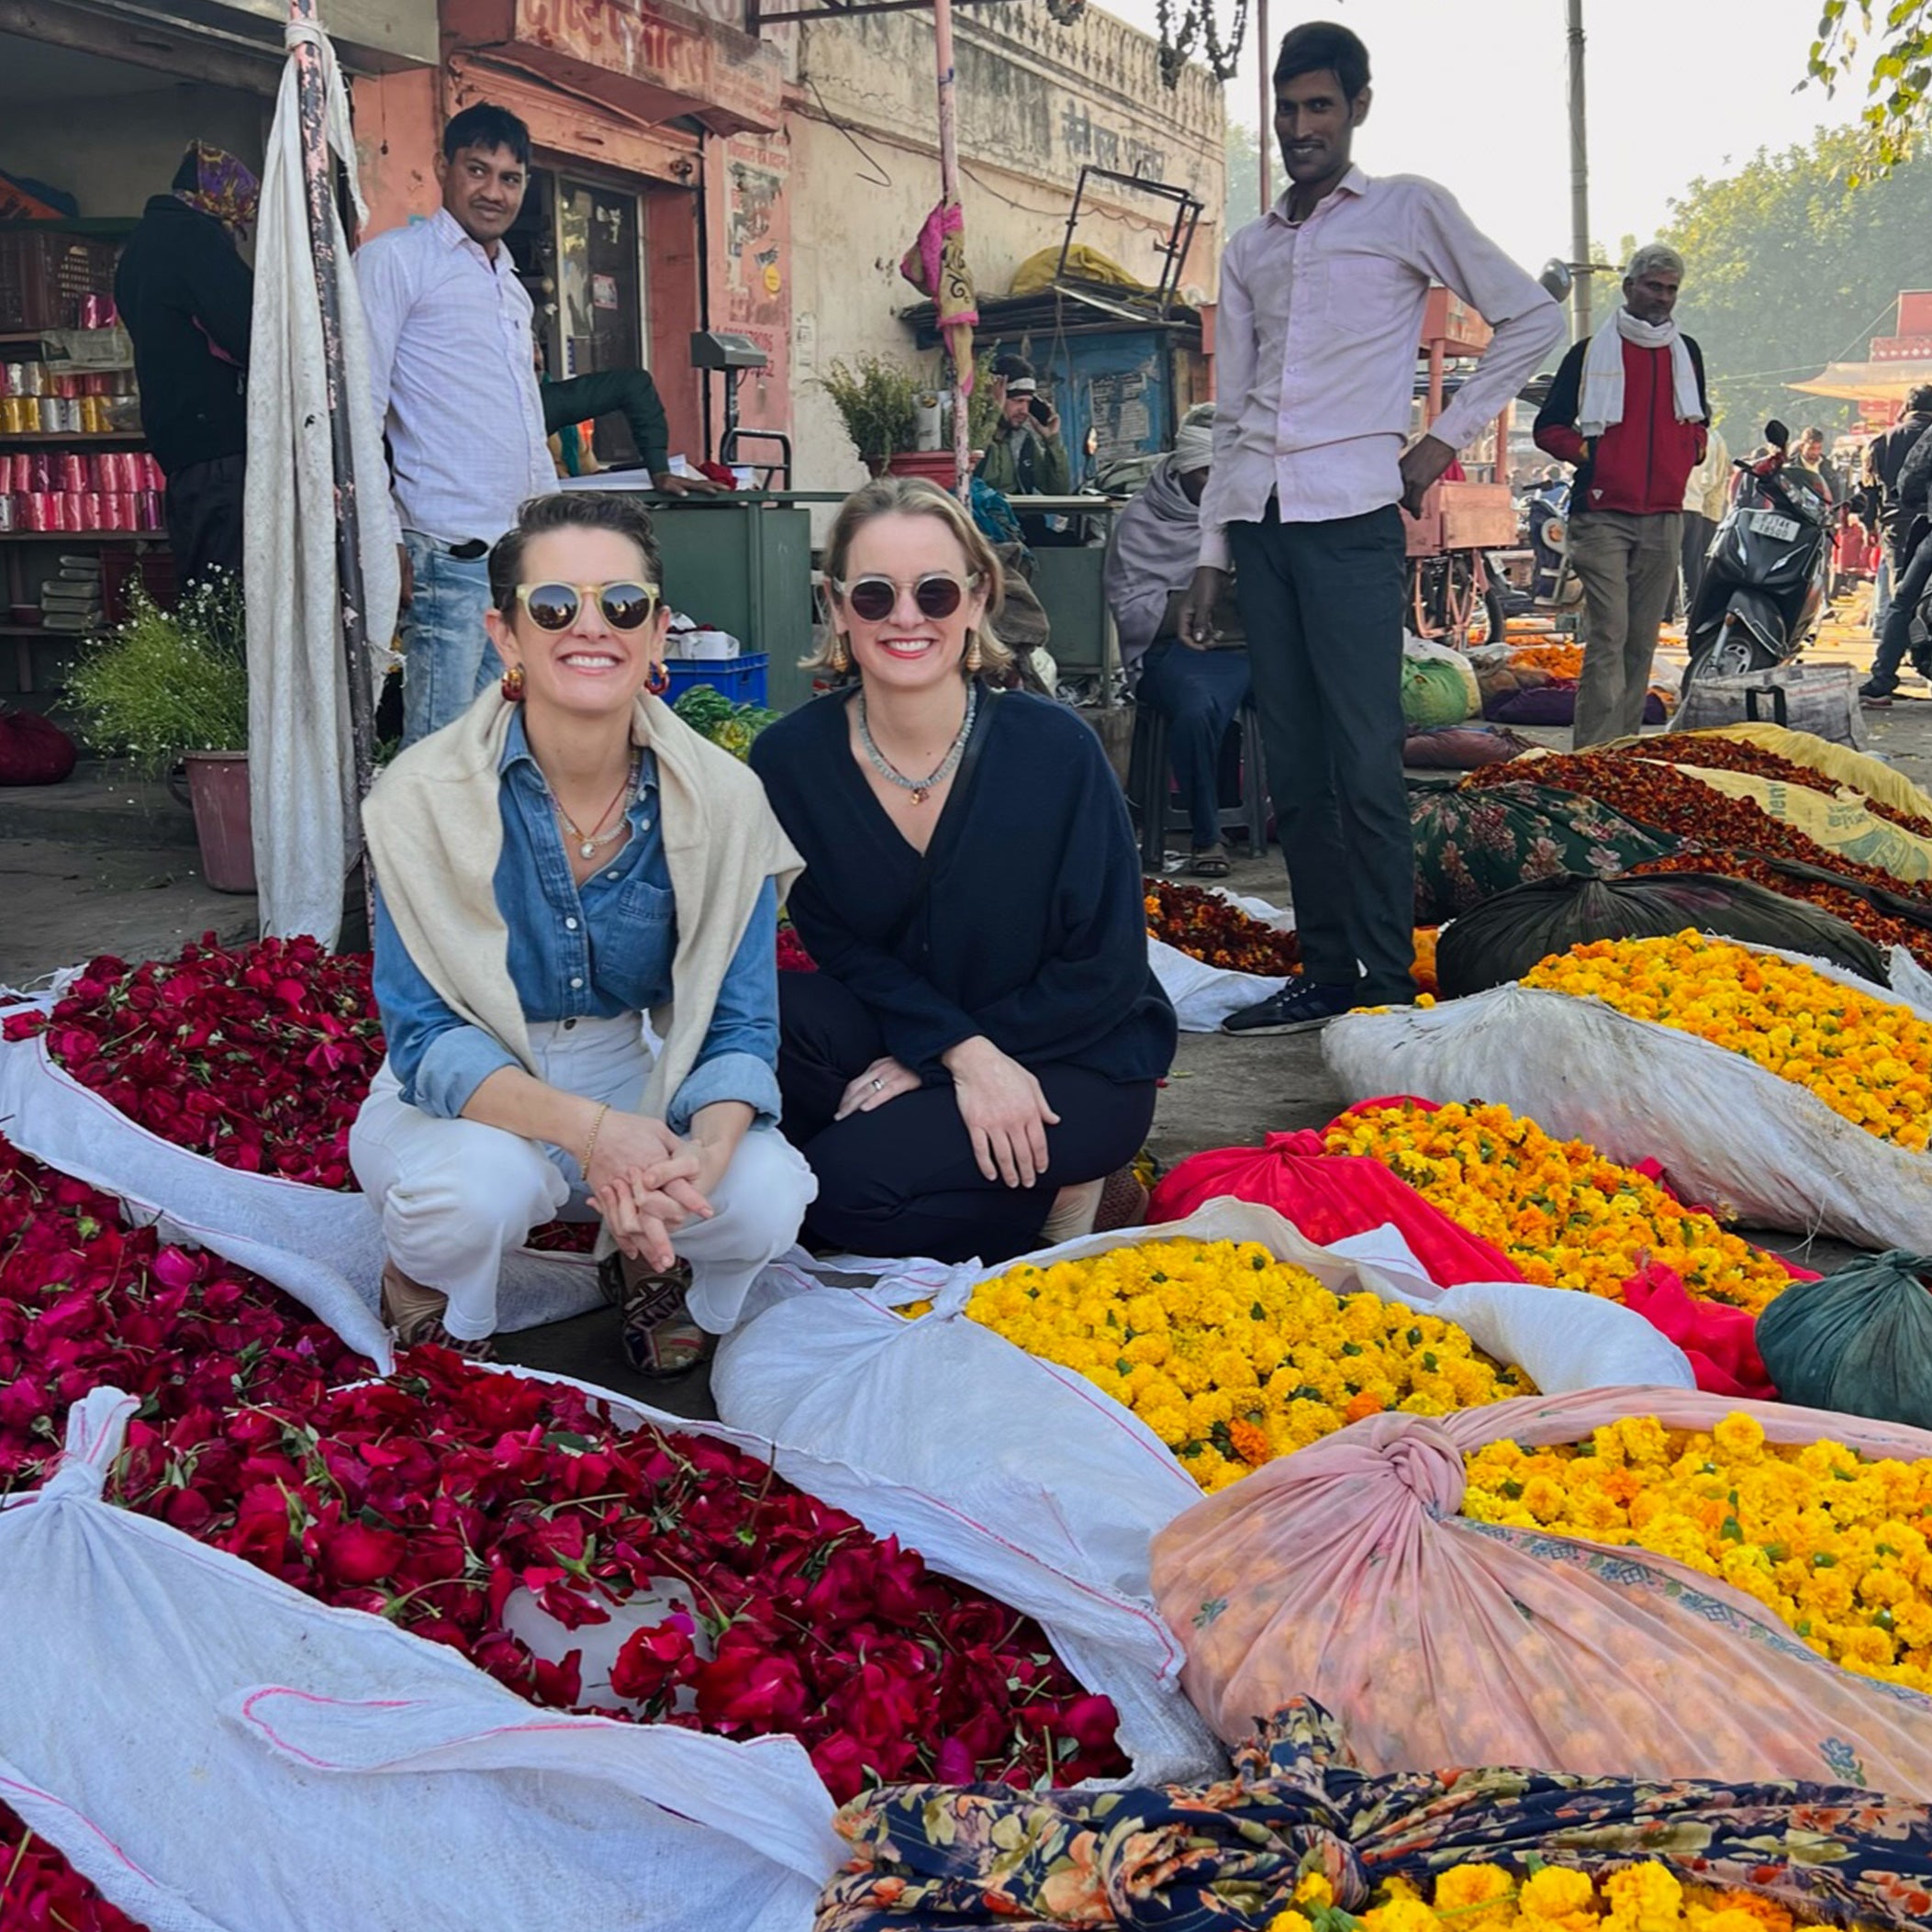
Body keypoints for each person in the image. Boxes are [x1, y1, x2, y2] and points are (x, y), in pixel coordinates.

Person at [350, 491, 813, 1375]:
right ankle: (430, 1286)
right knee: (475, 1194)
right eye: (555, 605)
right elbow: (425, 1037)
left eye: (622, 604)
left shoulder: (723, 801)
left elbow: (736, 1024)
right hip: (475, 1081)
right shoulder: (419, 799)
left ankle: (654, 1259)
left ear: (657, 629)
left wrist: (700, 1156)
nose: (590, 627)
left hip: (635, 1063)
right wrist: (595, 1134)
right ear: (506, 634)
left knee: (762, 1193)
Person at [1177, 21, 1563, 1036]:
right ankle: (1326, 970)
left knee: (1362, 760)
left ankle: (1387, 982)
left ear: (1356, 108)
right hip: (1261, 526)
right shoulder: (1251, 247)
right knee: (1292, 769)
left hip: (1351, 519)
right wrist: (1211, 551)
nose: (1301, 126)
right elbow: (1234, 402)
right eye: (1287, 109)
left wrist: (1439, 441)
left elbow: (1531, 317)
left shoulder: (1405, 210)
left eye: (1319, 107)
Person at [750, 476, 1176, 1265]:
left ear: (976, 599)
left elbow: (1107, 968)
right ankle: (989, 1176)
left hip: (1072, 1052)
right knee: (764, 1015)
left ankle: (1070, 1194)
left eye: (935, 591)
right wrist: (951, 1053)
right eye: (874, 595)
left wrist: (976, 1052)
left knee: (829, 1195)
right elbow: (840, 947)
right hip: (915, 1029)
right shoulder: (791, 760)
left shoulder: (1054, 751)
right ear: (836, 605)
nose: (906, 617)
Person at [358, 103, 555, 746]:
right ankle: (418, 853)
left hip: (517, 552)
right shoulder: (396, 262)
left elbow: (526, 415)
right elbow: (359, 405)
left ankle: (479, 854)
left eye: (510, 177)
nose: (494, 192)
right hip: (447, 550)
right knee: (442, 752)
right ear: (443, 167)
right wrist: (382, 534)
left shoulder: (510, 287)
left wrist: (553, 529)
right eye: (478, 170)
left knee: (503, 740)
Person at [1536, 244, 1710, 749]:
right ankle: (1591, 753)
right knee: (1608, 636)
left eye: (1672, 289)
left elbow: (1700, 417)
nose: (1663, 297)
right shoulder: (1588, 352)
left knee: (1642, 640)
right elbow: (1550, 426)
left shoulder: (1687, 352)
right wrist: (1591, 454)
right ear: (1629, 287)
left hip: (1664, 515)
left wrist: (1691, 449)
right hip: (1602, 514)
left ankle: (1624, 751)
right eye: (1654, 286)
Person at [1104, 408, 1252, 877]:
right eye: (1206, 472)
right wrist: (1199, 602)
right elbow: (1132, 608)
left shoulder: (1245, 513)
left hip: (1247, 649)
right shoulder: (1141, 520)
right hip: (1172, 653)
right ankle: (1207, 837)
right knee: (1195, 709)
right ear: (1182, 469)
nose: (1215, 483)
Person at [113, 142, 258, 588]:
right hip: (218, 441)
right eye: (238, 223)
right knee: (232, 591)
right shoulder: (195, 241)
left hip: (180, 442)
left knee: (204, 581)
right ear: (220, 201)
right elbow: (251, 332)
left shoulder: (141, 246)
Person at [541, 362, 725, 495]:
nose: (536, 359)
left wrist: (603, 478)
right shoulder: (532, 406)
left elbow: (633, 385)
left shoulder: (543, 410)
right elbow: (633, 384)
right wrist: (659, 470)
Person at [1859, 386, 1932, 701]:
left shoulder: (1889, 438)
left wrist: (1915, 499)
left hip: (1905, 523)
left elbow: (1910, 478)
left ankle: (1883, 680)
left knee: (1902, 600)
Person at [1680, 421, 1730, 614]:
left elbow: (1711, 478)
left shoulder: (1705, 438)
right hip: (1697, 505)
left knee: (1678, 561)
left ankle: (1669, 612)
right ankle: (1692, 607)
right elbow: (1712, 478)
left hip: (1686, 505)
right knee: (1692, 561)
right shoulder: (1712, 439)